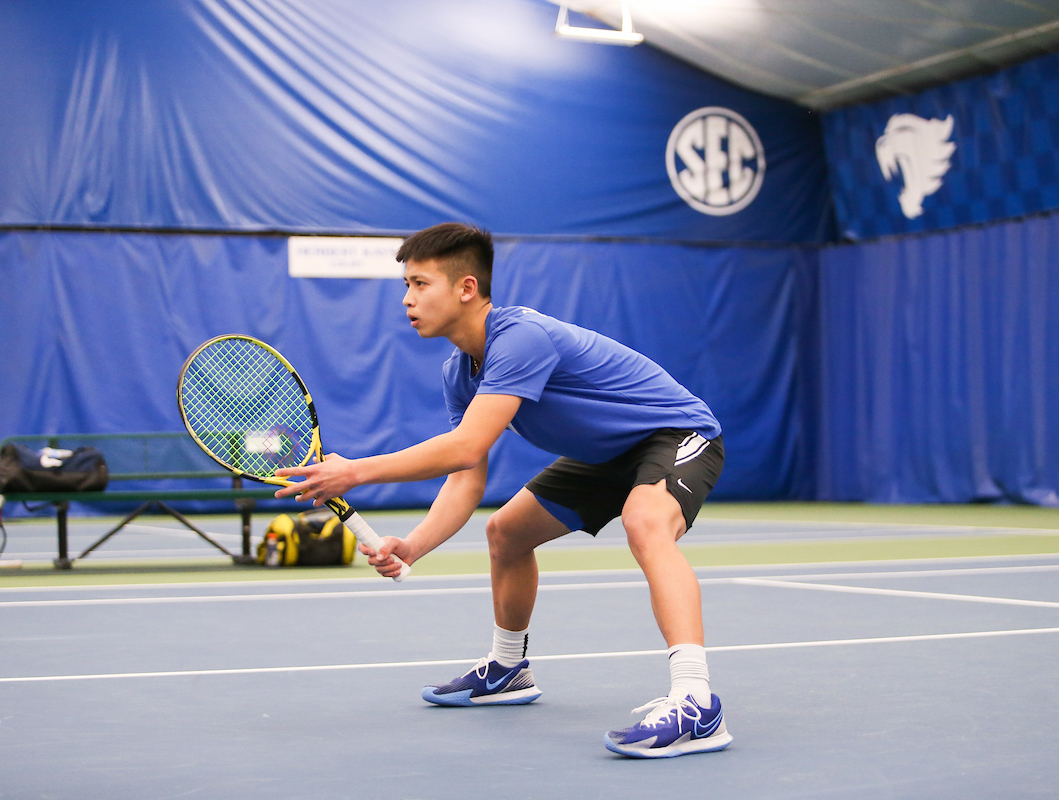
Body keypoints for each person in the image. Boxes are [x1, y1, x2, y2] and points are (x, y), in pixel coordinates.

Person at [274, 222, 731, 758]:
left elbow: (466, 446)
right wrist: (414, 545)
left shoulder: (520, 338)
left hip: (675, 433)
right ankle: (509, 668)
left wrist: (355, 472)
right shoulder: (458, 373)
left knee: (646, 521)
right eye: (406, 286)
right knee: (506, 532)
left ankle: (697, 701)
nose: (407, 299)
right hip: (605, 456)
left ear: (466, 288)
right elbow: (466, 476)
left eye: (420, 284)